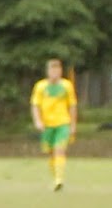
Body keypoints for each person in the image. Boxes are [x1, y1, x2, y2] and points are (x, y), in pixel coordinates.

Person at [30, 58, 78, 191]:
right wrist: (38, 121)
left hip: (63, 123)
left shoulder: (67, 86)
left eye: (57, 70)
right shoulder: (40, 86)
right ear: (48, 71)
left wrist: (73, 125)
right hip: (47, 125)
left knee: (59, 150)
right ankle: (56, 177)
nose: (55, 73)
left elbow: (72, 106)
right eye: (52, 70)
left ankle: (59, 179)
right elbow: (35, 105)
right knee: (51, 153)